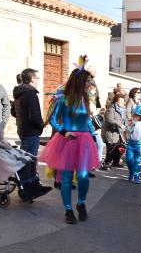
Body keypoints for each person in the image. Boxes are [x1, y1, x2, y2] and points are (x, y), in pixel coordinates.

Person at [40, 56, 100, 224]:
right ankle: (68, 210)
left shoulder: (86, 98)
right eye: (88, 81)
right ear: (80, 81)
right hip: (68, 140)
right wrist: (64, 131)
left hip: (85, 141)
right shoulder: (62, 98)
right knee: (66, 178)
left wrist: (93, 135)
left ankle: (81, 203)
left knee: (83, 176)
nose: (90, 84)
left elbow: (87, 119)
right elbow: (52, 120)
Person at [12, 68, 52, 200]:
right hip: (30, 132)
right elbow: (34, 116)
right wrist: (41, 126)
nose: (39, 80)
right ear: (32, 79)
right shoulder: (30, 94)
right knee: (29, 160)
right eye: (38, 78)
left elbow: (14, 112)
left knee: (28, 159)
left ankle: (33, 184)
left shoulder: (20, 92)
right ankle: (27, 188)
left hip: (23, 130)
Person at [125, 104, 141, 183]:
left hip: (140, 144)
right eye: (135, 114)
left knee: (137, 161)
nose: (136, 116)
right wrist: (133, 123)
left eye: (139, 115)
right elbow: (128, 130)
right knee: (129, 160)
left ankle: (136, 176)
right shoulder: (130, 121)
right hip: (130, 143)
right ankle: (131, 172)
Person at [102, 94, 126, 169]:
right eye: (121, 101)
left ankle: (116, 162)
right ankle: (107, 163)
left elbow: (125, 119)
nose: (123, 102)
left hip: (118, 132)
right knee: (111, 148)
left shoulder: (123, 110)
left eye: (123, 101)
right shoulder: (111, 109)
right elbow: (109, 120)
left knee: (118, 148)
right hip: (110, 132)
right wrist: (119, 124)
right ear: (116, 101)